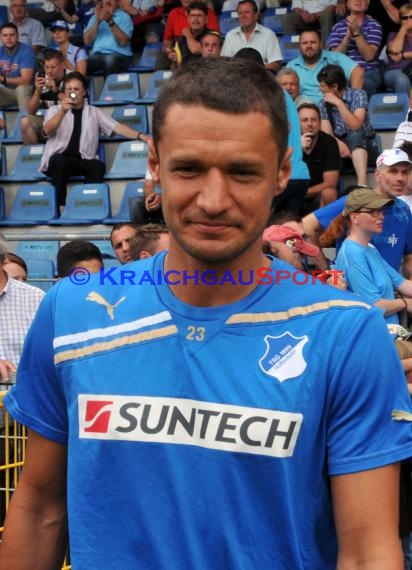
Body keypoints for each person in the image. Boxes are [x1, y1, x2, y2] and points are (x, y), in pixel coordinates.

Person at [1, 56, 411, 570]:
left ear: (283, 171)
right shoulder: (72, 311)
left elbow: (368, 552)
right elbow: (40, 510)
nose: (214, 200)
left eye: (242, 172)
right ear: (154, 163)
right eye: (189, 168)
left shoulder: (347, 332)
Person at [39, 71, 150, 207]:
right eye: (69, 89)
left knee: (97, 166)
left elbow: (118, 127)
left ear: (84, 92)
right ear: (64, 91)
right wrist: (63, 111)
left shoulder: (94, 112)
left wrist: (141, 136)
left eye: (76, 89)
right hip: (60, 160)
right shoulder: (55, 110)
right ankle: (59, 206)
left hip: (82, 159)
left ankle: (88, 204)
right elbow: (47, 130)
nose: (73, 92)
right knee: (59, 161)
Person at [302, 149, 412, 276]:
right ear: (377, 175)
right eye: (393, 171)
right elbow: (306, 226)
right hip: (351, 291)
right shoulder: (355, 201)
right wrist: (327, 270)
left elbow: (409, 257)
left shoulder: (404, 209)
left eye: (405, 172)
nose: (400, 178)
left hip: (388, 290)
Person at [317, 63, 375, 187]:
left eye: (322, 86)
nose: (320, 89)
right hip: (340, 150)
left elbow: (355, 125)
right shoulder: (323, 104)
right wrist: (338, 143)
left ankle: (362, 186)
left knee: (356, 134)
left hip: (365, 147)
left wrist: (339, 103)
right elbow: (327, 134)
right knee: (326, 145)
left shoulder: (358, 95)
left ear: (334, 87)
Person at [287, 29, 364, 104]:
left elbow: (358, 73)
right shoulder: (292, 66)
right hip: (303, 111)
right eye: (304, 43)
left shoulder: (335, 58)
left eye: (313, 42)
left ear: (320, 44)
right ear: (299, 46)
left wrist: (353, 101)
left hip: (333, 108)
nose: (309, 46)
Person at [326, 0, 382, 99]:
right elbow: (334, 58)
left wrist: (356, 33)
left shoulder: (374, 25)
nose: (358, 0)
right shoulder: (338, 26)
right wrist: (347, 38)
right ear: (347, 4)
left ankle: (362, 113)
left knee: (366, 83)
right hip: (344, 72)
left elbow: (369, 56)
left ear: (367, 6)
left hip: (368, 71)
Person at [298, 101, 341, 209]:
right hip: (292, 196)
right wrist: (297, 149)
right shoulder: (289, 142)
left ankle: (327, 226)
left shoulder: (329, 142)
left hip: (317, 195)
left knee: (329, 193)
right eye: (304, 120)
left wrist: (303, 193)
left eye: (313, 119)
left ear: (320, 123)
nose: (309, 124)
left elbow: (330, 183)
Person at [221, 0, 283, 73]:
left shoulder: (268, 34)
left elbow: (275, 64)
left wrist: (253, 70)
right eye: (240, 13)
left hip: (262, 77)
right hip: (237, 79)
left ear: (256, 15)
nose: (243, 16)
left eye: (247, 12)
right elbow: (224, 64)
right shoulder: (230, 36)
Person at [20, 49, 67, 145]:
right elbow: (31, 111)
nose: (49, 71)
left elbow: (75, 103)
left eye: (53, 67)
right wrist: (37, 91)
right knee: (25, 121)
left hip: (67, 120)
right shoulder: (42, 79)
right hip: (47, 121)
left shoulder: (71, 78)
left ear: (62, 65)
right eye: (47, 67)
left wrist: (56, 91)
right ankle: (35, 156)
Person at [84, 0, 133, 77]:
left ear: (117, 2)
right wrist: (98, 21)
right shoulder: (94, 18)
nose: (108, 1)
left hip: (121, 56)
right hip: (98, 56)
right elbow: (87, 40)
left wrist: (110, 21)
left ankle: (108, 88)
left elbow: (123, 42)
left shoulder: (125, 17)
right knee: (82, 62)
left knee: (109, 60)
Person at [0, 22, 35, 111]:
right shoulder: (0, 51)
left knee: (21, 89)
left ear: (17, 36)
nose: (8, 38)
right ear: (1, 37)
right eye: (5, 35)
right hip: (7, 92)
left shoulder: (26, 50)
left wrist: (3, 79)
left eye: (12, 35)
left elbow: (26, 80)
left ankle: (25, 122)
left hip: (27, 91)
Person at [167, 1, 211, 67]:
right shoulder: (181, 40)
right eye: (193, 15)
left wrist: (188, 34)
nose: (196, 19)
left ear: (206, 19)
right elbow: (179, 67)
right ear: (188, 19)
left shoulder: (213, 35)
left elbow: (195, 50)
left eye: (199, 15)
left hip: (207, 74)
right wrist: (175, 60)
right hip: (187, 75)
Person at [384, 2, 412, 94]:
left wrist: (404, 55)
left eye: (411, 17)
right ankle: (405, 108)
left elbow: (399, 54)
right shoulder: (392, 35)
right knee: (402, 80)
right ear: (400, 20)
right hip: (396, 71)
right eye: (405, 18)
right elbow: (396, 50)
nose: (408, 20)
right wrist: (403, 28)